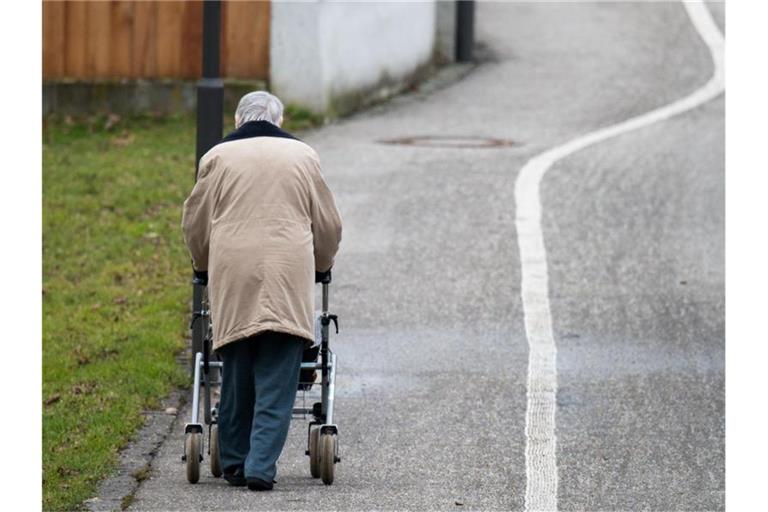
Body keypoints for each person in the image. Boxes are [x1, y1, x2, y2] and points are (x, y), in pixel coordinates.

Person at [181, 91, 342, 491]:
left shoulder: (217, 158)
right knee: (279, 373)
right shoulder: (303, 156)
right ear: (279, 118)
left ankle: (234, 461)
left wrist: (201, 264)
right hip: (288, 270)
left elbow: (196, 223)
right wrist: (323, 264)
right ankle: (260, 467)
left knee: (236, 367)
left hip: (233, 269)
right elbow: (328, 225)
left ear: (239, 120)